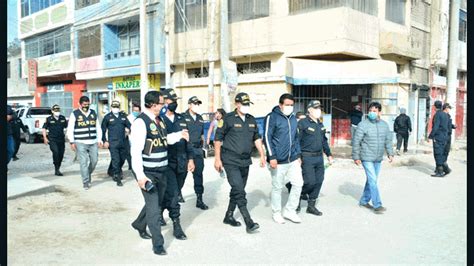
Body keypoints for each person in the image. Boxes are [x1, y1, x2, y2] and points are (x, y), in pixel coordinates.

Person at [130, 90, 189, 256]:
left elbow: (164, 140)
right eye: (162, 103)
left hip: (163, 171)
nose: (164, 105)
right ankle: (158, 245)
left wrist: (179, 135)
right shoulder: (140, 123)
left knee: (159, 202)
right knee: (154, 209)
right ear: (153, 104)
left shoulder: (160, 120)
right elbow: (135, 152)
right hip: (148, 173)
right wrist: (140, 177)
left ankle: (139, 224)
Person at [214, 92, 266, 233]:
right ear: (236, 104)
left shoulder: (251, 120)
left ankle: (229, 216)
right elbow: (218, 139)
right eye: (244, 104)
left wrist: (262, 155)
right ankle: (248, 221)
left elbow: (256, 138)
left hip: (245, 160)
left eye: (248, 104)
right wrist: (217, 159)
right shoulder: (227, 119)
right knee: (239, 190)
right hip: (230, 160)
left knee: (237, 189)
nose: (246, 106)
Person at [263, 93, 304, 224]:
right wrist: (272, 157)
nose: (290, 107)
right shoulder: (272, 117)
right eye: (287, 105)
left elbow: (296, 138)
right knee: (277, 187)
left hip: (292, 159)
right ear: (281, 105)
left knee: (298, 183)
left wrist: (297, 155)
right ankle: (276, 213)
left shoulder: (293, 118)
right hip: (278, 160)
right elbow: (266, 137)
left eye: (292, 105)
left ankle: (290, 211)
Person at [158, 88, 191, 240]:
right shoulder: (159, 120)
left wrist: (190, 159)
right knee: (174, 194)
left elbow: (187, 140)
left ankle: (159, 211)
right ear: (164, 102)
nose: (174, 104)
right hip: (167, 162)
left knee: (173, 191)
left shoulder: (182, 118)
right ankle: (176, 224)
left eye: (175, 101)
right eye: (172, 101)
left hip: (182, 161)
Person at [352, 101, 394, 214]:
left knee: (371, 180)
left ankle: (364, 201)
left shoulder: (384, 125)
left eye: (374, 111)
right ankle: (377, 204)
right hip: (366, 157)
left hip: (378, 158)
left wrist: (390, 153)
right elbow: (356, 141)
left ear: (379, 112)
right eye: (370, 111)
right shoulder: (363, 125)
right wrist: (356, 156)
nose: (372, 113)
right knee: (373, 180)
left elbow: (388, 141)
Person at [297, 100, 334, 216]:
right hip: (306, 156)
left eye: (319, 108)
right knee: (309, 182)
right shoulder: (303, 123)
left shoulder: (320, 124)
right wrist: (298, 156)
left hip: (319, 157)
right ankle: (296, 197)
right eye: (316, 108)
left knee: (319, 181)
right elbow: (296, 140)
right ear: (309, 110)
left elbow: (324, 141)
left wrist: (329, 154)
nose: (318, 111)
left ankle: (311, 206)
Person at [67, 96, 103, 190]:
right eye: (84, 104)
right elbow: (70, 128)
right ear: (80, 104)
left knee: (94, 161)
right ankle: (86, 181)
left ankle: (87, 173)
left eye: (88, 104)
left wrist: (100, 139)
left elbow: (98, 127)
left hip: (93, 141)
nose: (86, 106)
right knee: (83, 162)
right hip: (80, 142)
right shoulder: (75, 114)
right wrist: (71, 141)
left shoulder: (93, 113)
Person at [182, 96, 209, 210]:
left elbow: (202, 134)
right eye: (194, 104)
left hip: (197, 150)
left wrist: (205, 146)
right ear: (189, 105)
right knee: (181, 174)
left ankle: (199, 199)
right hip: (185, 149)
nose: (197, 106)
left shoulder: (200, 118)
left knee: (198, 175)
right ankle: (177, 193)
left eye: (198, 104)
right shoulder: (183, 117)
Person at [102, 100, 131, 186]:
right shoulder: (107, 117)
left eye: (117, 107)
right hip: (112, 142)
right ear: (111, 107)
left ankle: (111, 170)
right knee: (116, 160)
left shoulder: (123, 116)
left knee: (122, 159)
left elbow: (129, 125)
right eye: (114, 107)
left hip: (122, 141)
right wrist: (104, 140)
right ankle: (117, 177)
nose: (115, 108)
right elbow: (103, 130)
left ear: (119, 108)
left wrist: (130, 131)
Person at [42, 105, 68, 176]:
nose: (57, 112)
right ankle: (56, 169)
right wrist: (45, 138)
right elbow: (44, 128)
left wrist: (68, 135)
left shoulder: (62, 118)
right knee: (56, 152)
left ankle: (58, 167)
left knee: (61, 154)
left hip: (61, 139)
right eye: (56, 111)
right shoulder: (49, 119)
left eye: (58, 110)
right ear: (52, 111)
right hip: (52, 139)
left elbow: (67, 127)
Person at [428, 100, 450, 177]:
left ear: (434, 107)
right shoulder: (445, 115)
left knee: (437, 153)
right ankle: (446, 169)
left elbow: (436, 127)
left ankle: (440, 172)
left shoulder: (437, 115)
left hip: (438, 137)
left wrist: (430, 136)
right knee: (442, 153)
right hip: (445, 137)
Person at [441, 103, 456, 176]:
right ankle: (442, 167)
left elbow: (448, 124)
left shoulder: (448, 116)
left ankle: (442, 166)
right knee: (444, 151)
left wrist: (453, 126)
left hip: (448, 135)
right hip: (445, 135)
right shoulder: (443, 115)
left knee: (446, 151)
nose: (449, 110)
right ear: (446, 108)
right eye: (449, 108)